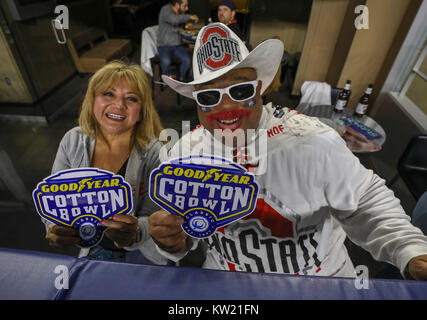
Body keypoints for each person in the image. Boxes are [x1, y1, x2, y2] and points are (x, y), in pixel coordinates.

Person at [149, 23, 427, 280]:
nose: (225, 108)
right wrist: (172, 241)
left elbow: (364, 200)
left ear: (260, 89)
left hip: (320, 282)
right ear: (197, 104)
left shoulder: (312, 139)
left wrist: (409, 248)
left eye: (241, 90)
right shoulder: (185, 152)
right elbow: (187, 231)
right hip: (229, 281)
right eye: (209, 96)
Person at [44, 60, 169, 265]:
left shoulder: (155, 151)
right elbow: (53, 199)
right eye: (108, 94)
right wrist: (53, 228)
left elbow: (154, 217)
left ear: (141, 112)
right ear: (93, 100)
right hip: (89, 250)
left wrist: (135, 231)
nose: (119, 105)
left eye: (131, 98)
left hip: (143, 256)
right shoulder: (72, 140)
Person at [157, 0, 199, 81]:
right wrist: (189, 17)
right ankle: (167, 80)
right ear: (177, 4)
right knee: (166, 61)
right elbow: (174, 19)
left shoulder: (179, 13)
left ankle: (181, 79)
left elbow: (179, 28)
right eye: (185, 6)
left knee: (187, 60)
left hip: (177, 45)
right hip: (164, 45)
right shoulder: (165, 9)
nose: (187, 8)